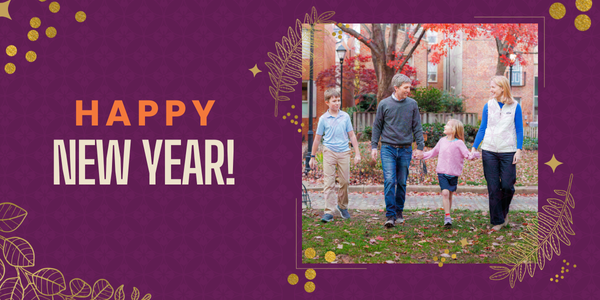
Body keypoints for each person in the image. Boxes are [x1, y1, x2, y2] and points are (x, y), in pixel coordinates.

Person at [470, 75, 524, 231]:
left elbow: (519, 130)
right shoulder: (488, 105)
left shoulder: (515, 106)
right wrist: (474, 146)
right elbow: (483, 127)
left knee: (507, 186)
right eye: (490, 86)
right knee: (493, 188)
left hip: (508, 151)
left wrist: (518, 150)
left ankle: (503, 212)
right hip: (489, 150)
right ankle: (498, 221)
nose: (491, 90)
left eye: (493, 87)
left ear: (502, 88)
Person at [371, 74, 424, 228]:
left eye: (409, 87)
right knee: (389, 181)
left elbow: (417, 127)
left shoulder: (412, 104)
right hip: (387, 148)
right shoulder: (384, 104)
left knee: (401, 182)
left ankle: (399, 212)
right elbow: (377, 126)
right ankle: (390, 215)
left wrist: (420, 147)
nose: (409, 90)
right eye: (406, 87)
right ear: (396, 88)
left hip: (405, 149)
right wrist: (374, 146)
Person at [309, 88, 361, 223]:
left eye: (338, 100)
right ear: (327, 102)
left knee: (344, 182)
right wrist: (312, 157)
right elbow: (317, 138)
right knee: (329, 183)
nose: (337, 103)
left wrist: (357, 153)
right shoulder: (323, 119)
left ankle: (342, 206)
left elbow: (352, 135)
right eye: (334, 101)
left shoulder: (345, 116)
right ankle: (329, 211)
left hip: (344, 152)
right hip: (329, 152)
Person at [422, 119, 480, 228]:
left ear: (453, 129)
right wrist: (421, 155)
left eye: (447, 125)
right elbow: (433, 152)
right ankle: (447, 217)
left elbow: (467, 155)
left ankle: (447, 215)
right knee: (445, 193)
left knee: (449, 195)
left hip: (453, 173)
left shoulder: (459, 143)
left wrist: (474, 155)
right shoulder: (442, 141)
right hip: (442, 172)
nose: (445, 126)